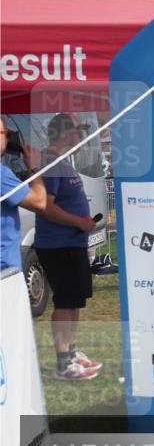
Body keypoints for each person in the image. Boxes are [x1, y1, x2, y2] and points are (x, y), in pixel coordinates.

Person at [36, 114, 101, 381]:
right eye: (77, 131)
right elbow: (46, 206)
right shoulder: (50, 162)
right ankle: (63, 362)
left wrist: (82, 225)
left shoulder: (62, 161)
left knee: (74, 301)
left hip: (71, 242)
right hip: (58, 244)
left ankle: (71, 354)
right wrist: (79, 221)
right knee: (64, 302)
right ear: (65, 134)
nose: (81, 136)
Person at [1, 117, 47, 271]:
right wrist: (34, 168)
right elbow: (39, 202)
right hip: (4, 269)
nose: (8, 139)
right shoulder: (2, 174)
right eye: (5, 133)